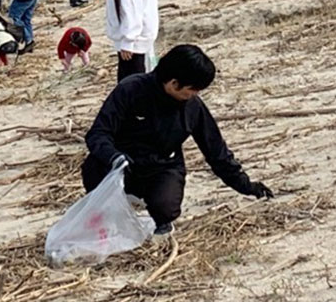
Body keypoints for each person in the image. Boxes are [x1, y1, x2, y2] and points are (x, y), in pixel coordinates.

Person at [81, 44, 273, 236]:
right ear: (173, 83)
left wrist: (248, 187)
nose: (194, 94)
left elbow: (216, 152)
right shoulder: (130, 90)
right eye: (192, 89)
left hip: (162, 166)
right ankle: (113, 209)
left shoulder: (193, 107)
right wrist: (114, 157)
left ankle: (161, 221)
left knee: (165, 208)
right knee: (94, 171)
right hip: (121, 163)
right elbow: (97, 134)